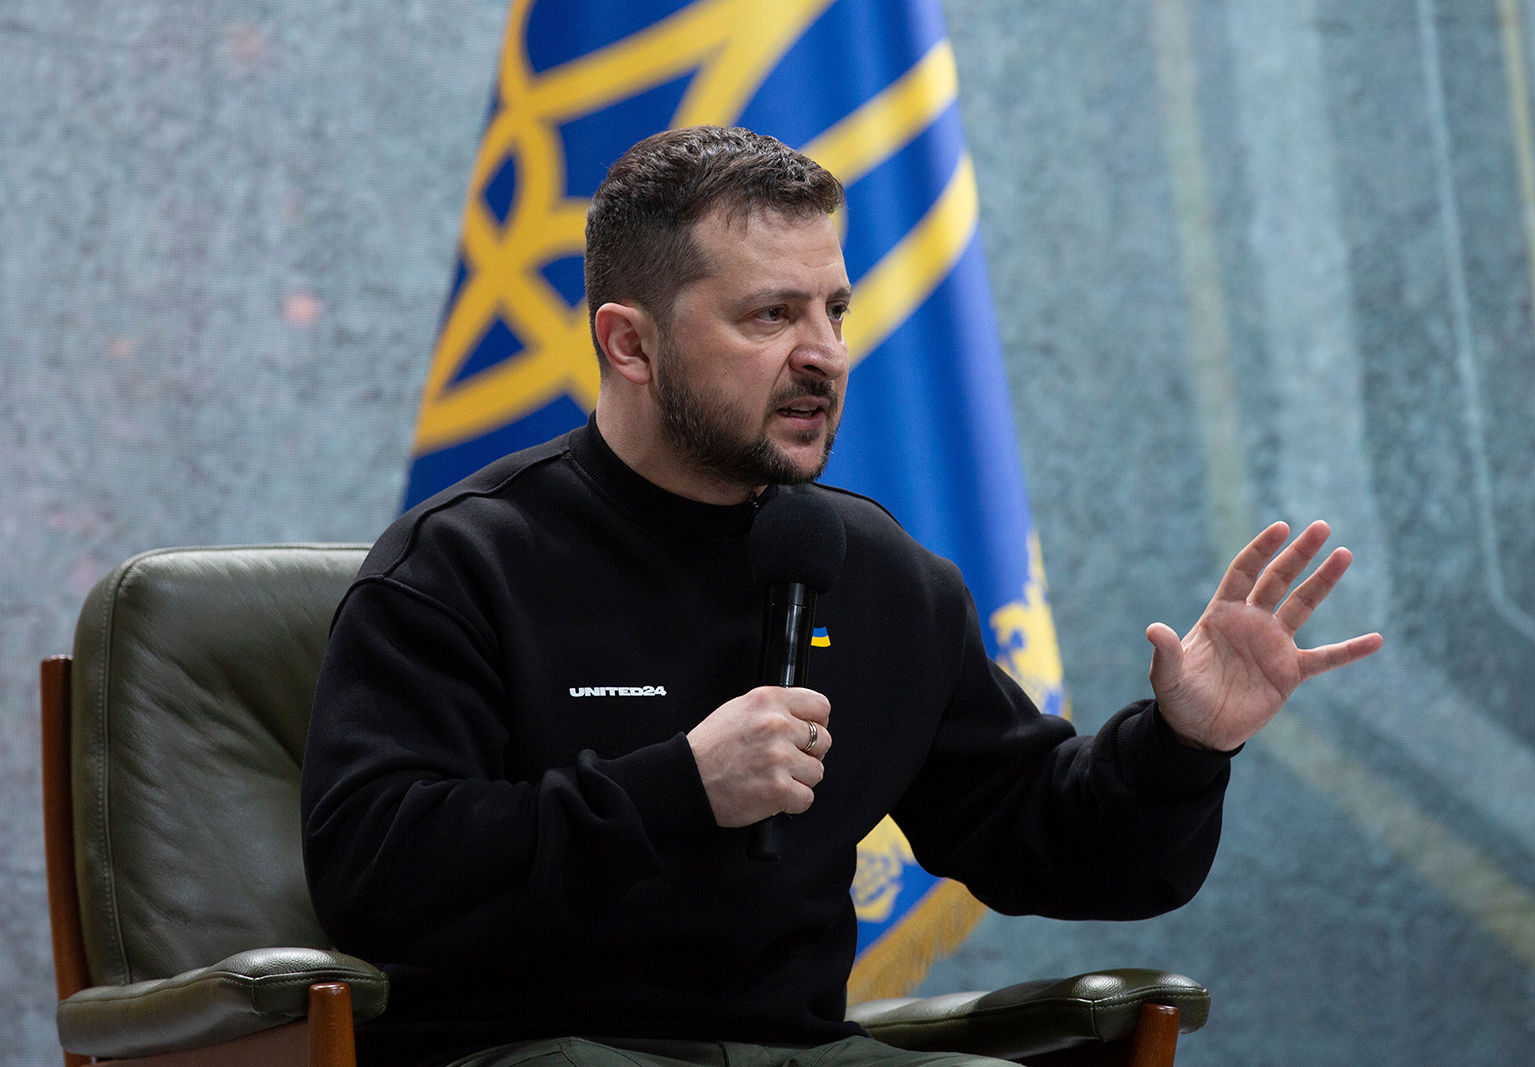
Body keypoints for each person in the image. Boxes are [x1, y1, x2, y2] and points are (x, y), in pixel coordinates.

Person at [300, 126, 1382, 1067]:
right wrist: (679, 786)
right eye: (771, 315)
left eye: (836, 309)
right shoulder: (462, 561)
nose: (822, 354)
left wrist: (1183, 745)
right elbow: (376, 873)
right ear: (629, 342)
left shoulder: (873, 572)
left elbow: (1046, 836)